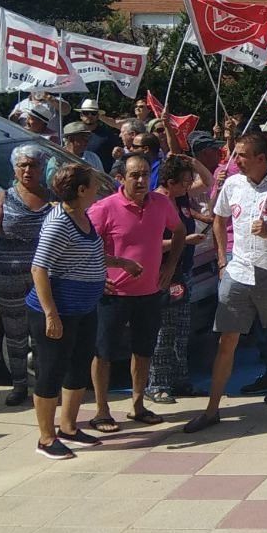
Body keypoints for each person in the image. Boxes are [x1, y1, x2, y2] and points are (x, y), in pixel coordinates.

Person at [186, 133, 267, 432]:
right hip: (238, 270)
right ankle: (212, 409)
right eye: (235, 154)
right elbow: (218, 218)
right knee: (226, 339)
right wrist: (221, 259)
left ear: (260, 158)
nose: (234, 160)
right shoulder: (232, 184)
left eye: (241, 155)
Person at [85, 153, 182, 431]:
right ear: (121, 179)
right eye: (134, 175)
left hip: (149, 293)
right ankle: (102, 410)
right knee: (103, 353)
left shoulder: (161, 203)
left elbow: (178, 230)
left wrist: (170, 265)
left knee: (143, 351)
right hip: (112, 295)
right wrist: (97, 277)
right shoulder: (104, 208)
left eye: (144, 175)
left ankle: (138, 405)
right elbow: (84, 246)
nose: (141, 181)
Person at [26, 164, 111, 459]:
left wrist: (120, 264)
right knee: (51, 370)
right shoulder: (59, 222)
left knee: (78, 367)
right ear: (80, 190)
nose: (98, 189)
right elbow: (39, 267)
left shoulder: (82, 215)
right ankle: (46, 438)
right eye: (93, 185)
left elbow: (89, 252)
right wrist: (51, 314)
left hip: (84, 308)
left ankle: (69, 427)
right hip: (57, 312)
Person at [0, 145, 54, 407]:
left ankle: (45, 387)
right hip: (10, 270)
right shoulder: (3, 197)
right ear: (15, 169)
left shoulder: (52, 197)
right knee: (14, 331)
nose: (27, 170)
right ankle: (18, 384)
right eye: (22, 165)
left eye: (33, 165)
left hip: (44, 273)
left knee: (44, 331)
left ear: (41, 168)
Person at [149, 157, 206, 405]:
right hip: (160, 274)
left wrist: (193, 162)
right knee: (163, 332)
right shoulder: (153, 204)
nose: (188, 186)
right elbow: (148, 244)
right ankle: (158, 384)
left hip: (182, 273)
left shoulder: (181, 199)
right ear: (169, 182)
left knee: (181, 331)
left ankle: (180, 380)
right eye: (184, 182)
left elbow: (207, 181)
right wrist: (180, 242)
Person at [77, 98, 120, 166]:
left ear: (98, 116)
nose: (89, 115)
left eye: (93, 113)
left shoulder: (108, 135)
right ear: (81, 115)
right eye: (86, 112)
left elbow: (117, 157)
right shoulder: (75, 135)